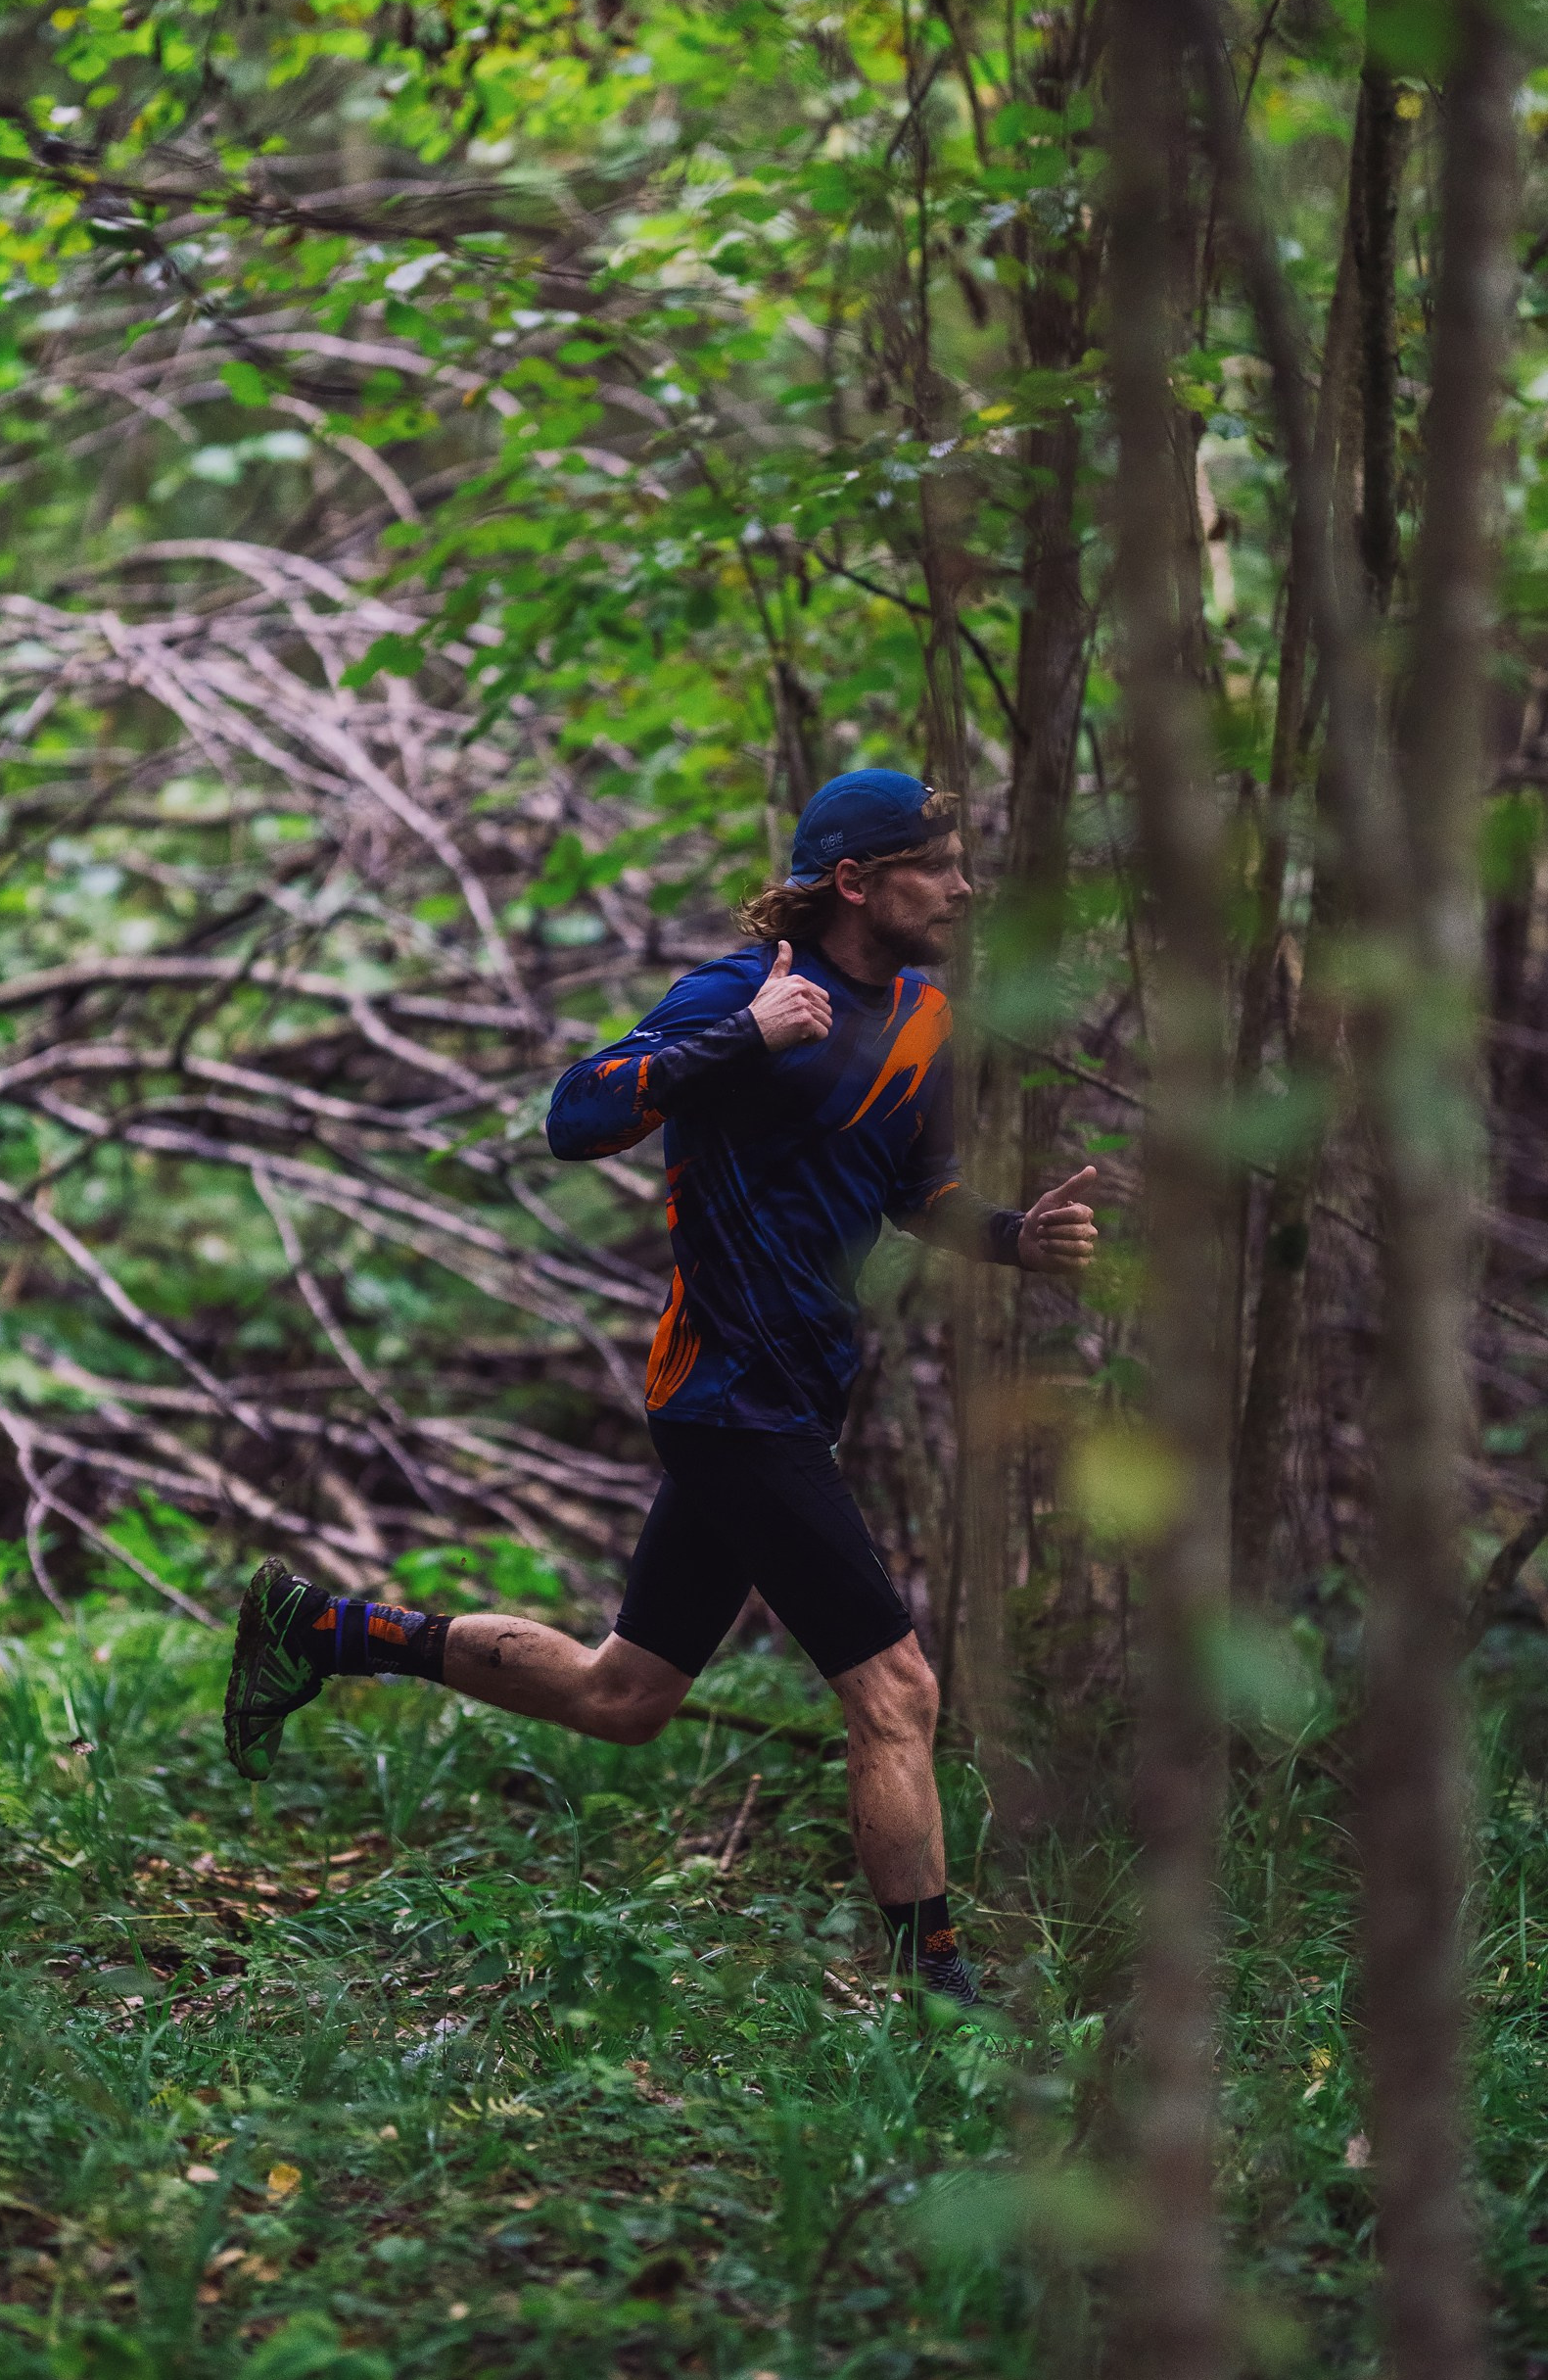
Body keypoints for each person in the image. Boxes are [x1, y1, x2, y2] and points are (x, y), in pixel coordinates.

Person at [223, 768, 1098, 2006]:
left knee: (623, 1694)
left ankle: (314, 1627)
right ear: (854, 880)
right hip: (724, 1395)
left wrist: (1012, 1239)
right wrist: (741, 1040)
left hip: (799, 1394)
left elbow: (917, 1191)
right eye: (934, 865)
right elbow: (574, 1116)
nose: (962, 887)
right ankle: (938, 1999)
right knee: (897, 1688)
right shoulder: (736, 996)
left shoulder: (921, 1019)